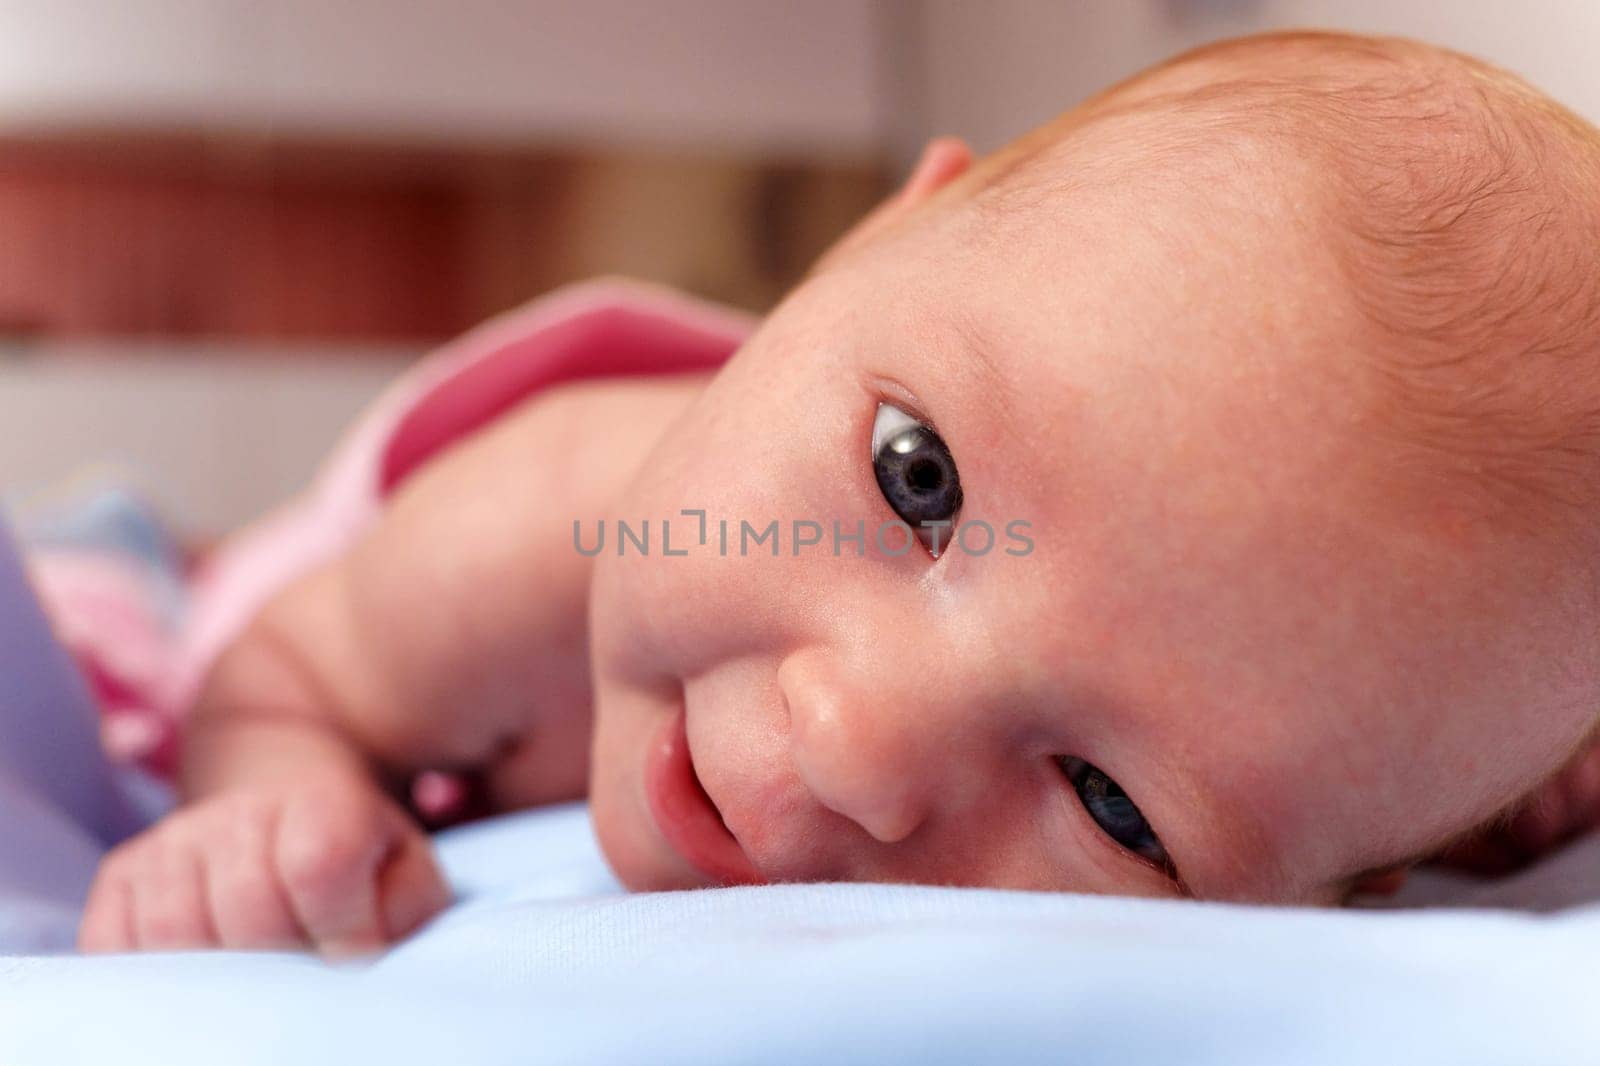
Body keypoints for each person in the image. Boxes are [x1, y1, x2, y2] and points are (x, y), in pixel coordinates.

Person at [78, 29, 1600, 955]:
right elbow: (277, 668)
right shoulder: (538, 523)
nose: (856, 739)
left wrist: (1485, 792)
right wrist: (279, 791)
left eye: (1116, 803)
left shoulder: (1308, 712)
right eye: (915, 478)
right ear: (875, 233)